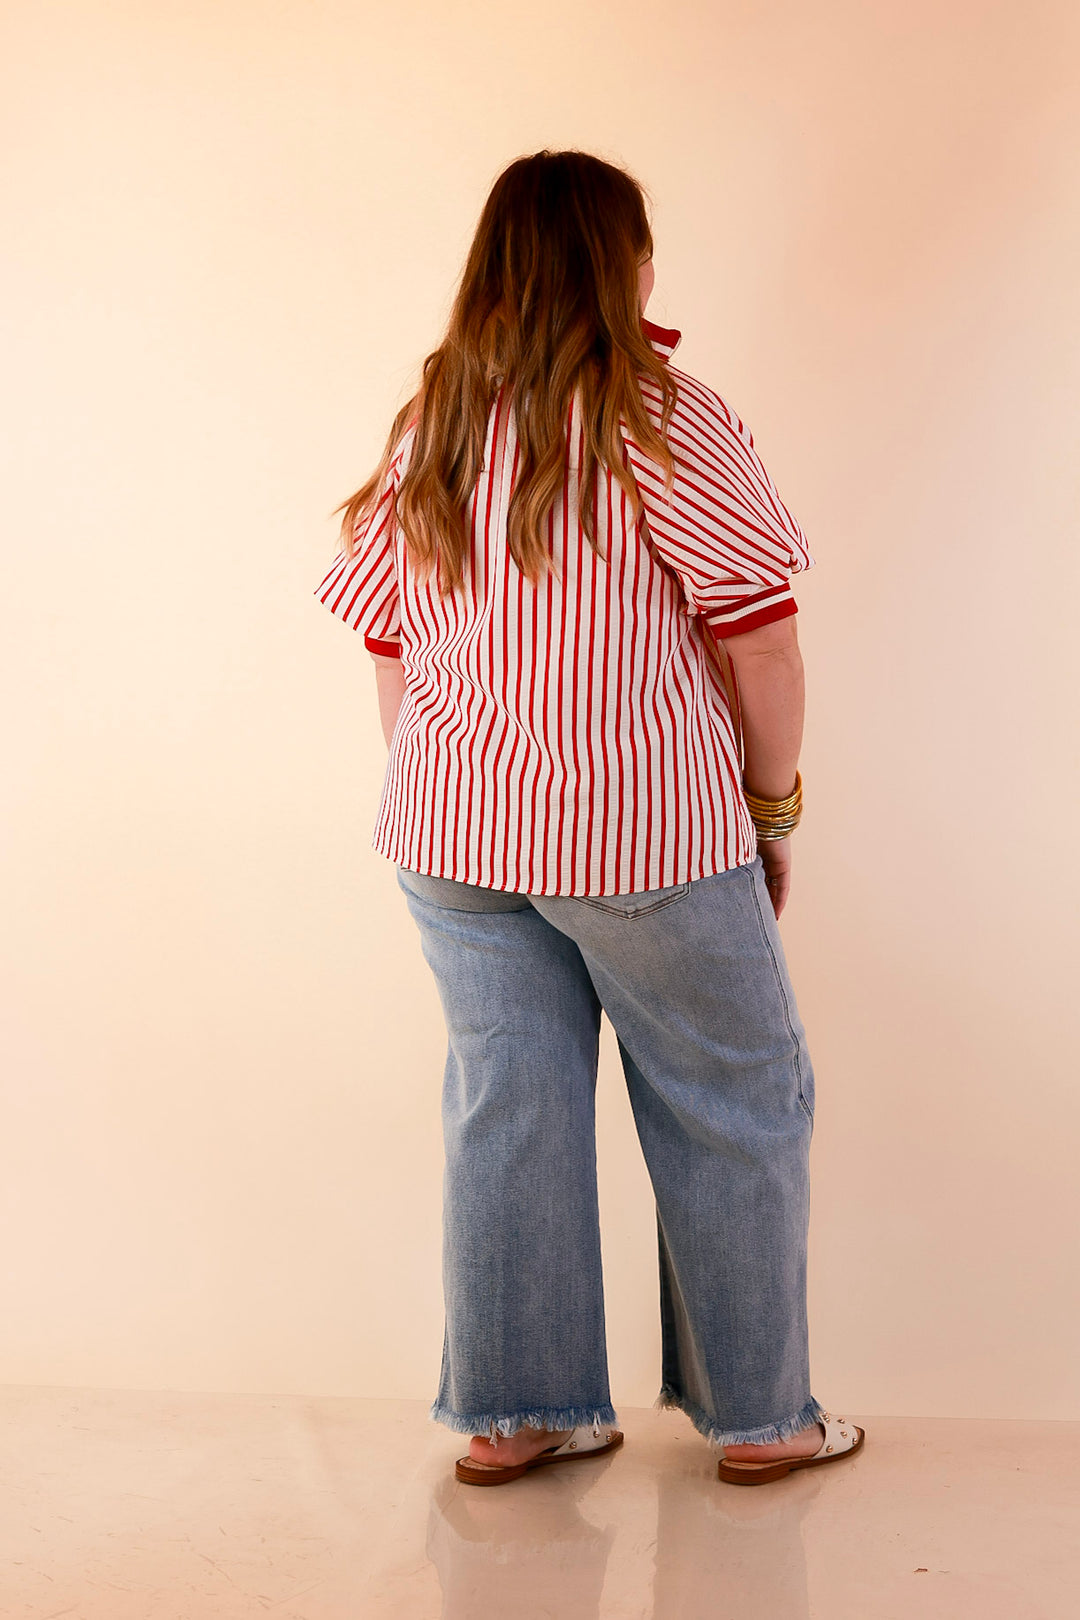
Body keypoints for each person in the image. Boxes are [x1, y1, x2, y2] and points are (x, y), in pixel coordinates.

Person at [313, 148, 865, 1488]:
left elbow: (386, 642)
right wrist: (773, 808)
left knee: (511, 1102)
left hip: (453, 836)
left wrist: (463, 800)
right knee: (734, 1096)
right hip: (646, 837)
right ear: (624, 265)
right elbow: (761, 641)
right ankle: (763, 1424)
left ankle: (517, 1416)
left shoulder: (436, 419)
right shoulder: (664, 418)